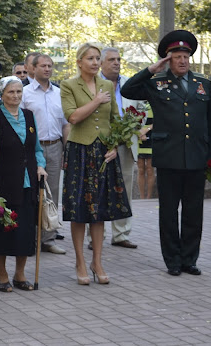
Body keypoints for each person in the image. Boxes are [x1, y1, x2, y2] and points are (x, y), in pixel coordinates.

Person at [121, 30, 211, 276]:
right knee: (168, 212)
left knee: (194, 212)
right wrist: (151, 69)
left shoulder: (203, 84)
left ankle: (189, 259)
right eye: (177, 56)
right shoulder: (156, 83)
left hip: (196, 157)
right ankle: (173, 261)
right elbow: (127, 90)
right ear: (168, 59)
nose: (183, 60)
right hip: (168, 157)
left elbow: (210, 124)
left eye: (186, 55)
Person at [61, 43, 131, 285]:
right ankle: (80, 261)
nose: (94, 62)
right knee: (80, 210)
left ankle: (97, 261)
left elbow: (115, 120)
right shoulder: (69, 85)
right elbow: (73, 117)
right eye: (89, 58)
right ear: (79, 62)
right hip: (80, 151)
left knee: (100, 210)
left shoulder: (106, 85)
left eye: (97, 58)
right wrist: (96, 101)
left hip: (103, 153)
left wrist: (114, 146)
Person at [0, 76, 47, 292]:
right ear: (2, 94)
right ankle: (2, 276)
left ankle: (20, 274)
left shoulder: (28, 116)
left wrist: (40, 165)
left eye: (19, 92)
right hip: (4, 183)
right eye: (11, 92)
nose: (16, 96)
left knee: (26, 232)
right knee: (2, 232)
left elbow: (36, 148)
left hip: (28, 182)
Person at [20, 53, 68, 254]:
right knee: (32, 192)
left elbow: (65, 124)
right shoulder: (24, 93)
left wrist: (66, 149)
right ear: (33, 68)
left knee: (52, 192)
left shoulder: (59, 93)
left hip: (55, 146)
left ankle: (48, 239)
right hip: (32, 149)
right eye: (43, 65)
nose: (47, 69)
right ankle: (30, 237)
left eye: (50, 65)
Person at [99, 47, 139, 249]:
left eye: (118, 59)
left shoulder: (129, 83)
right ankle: (94, 236)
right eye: (111, 59)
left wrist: (136, 126)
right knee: (97, 188)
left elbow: (140, 110)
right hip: (100, 143)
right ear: (101, 63)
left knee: (124, 189)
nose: (116, 63)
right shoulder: (93, 83)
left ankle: (121, 234)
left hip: (126, 143)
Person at [136, 101, 154, 199]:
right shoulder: (138, 103)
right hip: (139, 137)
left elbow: (160, 121)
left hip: (151, 137)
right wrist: (138, 133)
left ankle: (149, 197)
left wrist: (146, 130)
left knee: (150, 169)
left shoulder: (154, 102)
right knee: (141, 169)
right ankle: (142, 197)